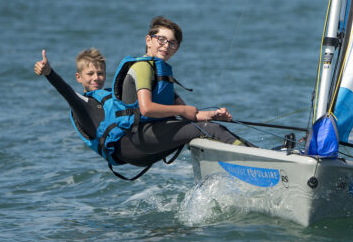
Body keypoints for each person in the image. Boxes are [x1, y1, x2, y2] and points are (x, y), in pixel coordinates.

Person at [34, 16, 247, 173]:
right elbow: (67, 93)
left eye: (171, 42)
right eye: (161, 40)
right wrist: (49, 73)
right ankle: (258, 161)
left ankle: (231, 173)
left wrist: (212, 114)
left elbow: (191, 115)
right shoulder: (87, 102)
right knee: (208, 130)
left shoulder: (159, 75)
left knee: (206, 130)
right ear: (149, 40)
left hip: (143, 142)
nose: (166, 45)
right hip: (130, 144)